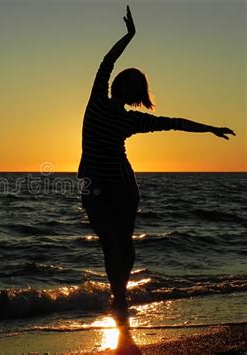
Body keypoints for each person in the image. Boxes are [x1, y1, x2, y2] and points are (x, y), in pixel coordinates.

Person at [78, 5, 235, 325]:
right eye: (129, 81)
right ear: (118, 84)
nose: (132, 87)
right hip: (92, 185)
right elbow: (106, 62)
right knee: (108, 241)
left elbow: (173, 122)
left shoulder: (132, 120)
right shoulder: (96, 99)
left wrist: (210, 128)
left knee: (124, 241)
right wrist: (129, 36)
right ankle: (119, 296)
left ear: (137, 94)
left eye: (138, 85)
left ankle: (119, 297)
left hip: (123, 186)